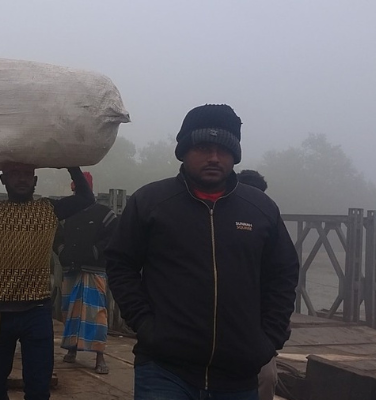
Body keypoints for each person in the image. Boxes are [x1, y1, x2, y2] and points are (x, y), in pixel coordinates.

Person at [106, 104, 299, 400]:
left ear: (235, 155)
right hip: (164, 369)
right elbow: (121, 264)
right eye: (203, 147)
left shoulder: (261, 209)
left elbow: (283, 274)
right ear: (183, 151)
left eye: (223, 149)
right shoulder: (150, 203)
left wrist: (268, 338)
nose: (213, 157)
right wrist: (145, 325)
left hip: (239, 374)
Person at [0, 163, 94, 400]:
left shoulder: (49, 209)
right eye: (14, 174)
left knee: (39, 387)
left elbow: (85, 198)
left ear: (35, 180)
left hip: (38, 312)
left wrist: (71, 164)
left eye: (26, 174)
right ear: (3, 179)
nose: (21, 180)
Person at [54, 172, 117, 374]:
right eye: (74, 190)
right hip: (70, 270)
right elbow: (57, 238)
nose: (75, 193)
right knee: (69, 313)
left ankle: (100, 357)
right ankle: (71, 349)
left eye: (78, 189)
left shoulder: (104, 213)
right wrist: (63, 252)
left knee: (96, 314)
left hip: (94, 271)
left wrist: (95, 252)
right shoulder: (67, 214)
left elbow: (112, 239)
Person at [237, 169, 279, 400]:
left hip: (258, 323)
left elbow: (282, 276)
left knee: (266, 377)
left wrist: (276, 329)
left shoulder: (269, 222)